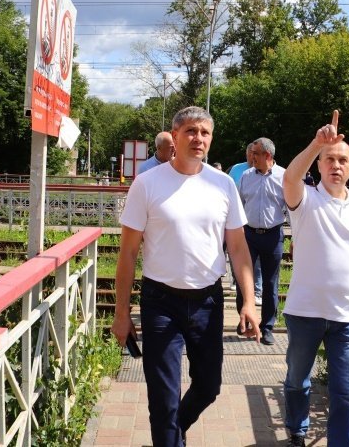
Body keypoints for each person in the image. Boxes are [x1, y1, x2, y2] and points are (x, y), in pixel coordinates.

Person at [111, 106, 261, 447]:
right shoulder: (147, 184)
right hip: (161, 303)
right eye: (191, 131)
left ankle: (171, 433)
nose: (198, 138)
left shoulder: (222, 185)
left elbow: (238, 249)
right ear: (175, 137)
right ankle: (169, 436)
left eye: (205, 132)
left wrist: (249, 302)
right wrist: (122, 313)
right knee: (162, 400)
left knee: (209, 386)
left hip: (208, 301)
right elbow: (128, 253)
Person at [281, 110, 349, 446]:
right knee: (297, 380)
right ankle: (297, 427)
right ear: (320, 165)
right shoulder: (306, 200)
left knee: (344, 393)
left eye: (343, 160)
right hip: (304, 312)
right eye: (329, 159)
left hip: (348, 318)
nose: (336, 165)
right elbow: (290, 179)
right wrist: (316, 143)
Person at [238, 137, 287, 346]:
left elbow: (292, 206)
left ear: (268, 155)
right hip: (248, 234)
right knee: (243, 280)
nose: (252, 157)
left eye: (256, 153)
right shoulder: (246, 176)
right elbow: (238, 204)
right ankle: (245, 323)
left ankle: (267, 327)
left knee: (270, 283)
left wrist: (298, 237)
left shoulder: (284, 177)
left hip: (273, 235)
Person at [226, 142, 262, 302]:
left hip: (253, 219)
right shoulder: (236, 169)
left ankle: (257, 290)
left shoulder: (262, 170)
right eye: (250, 154)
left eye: (254, 154)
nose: (252, 157)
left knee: (256, 259)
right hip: (236, 217)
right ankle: (236, 280)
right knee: (235, 250)